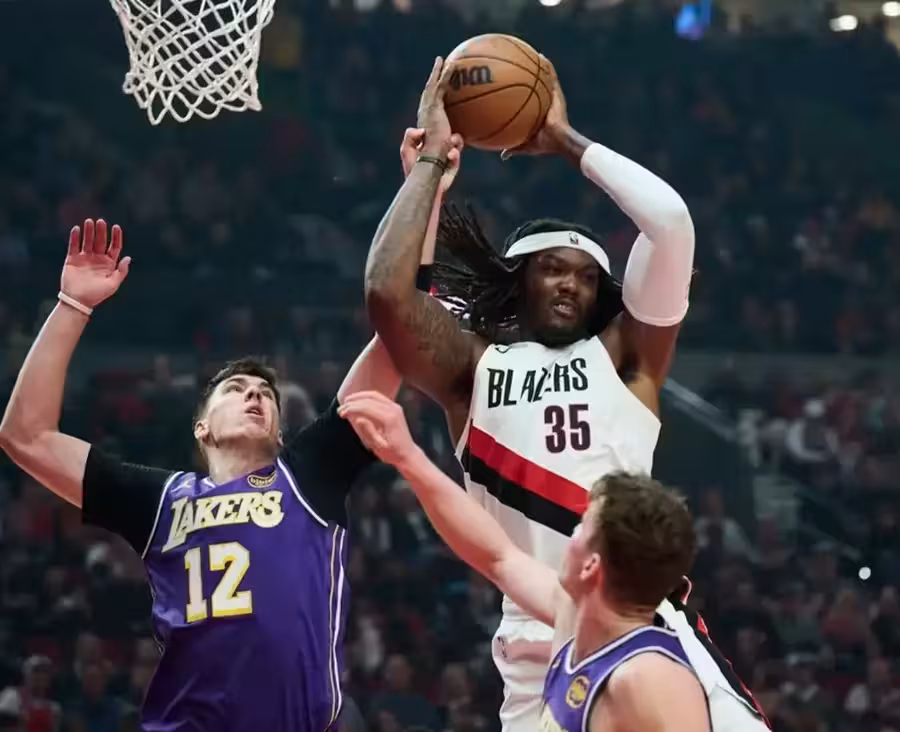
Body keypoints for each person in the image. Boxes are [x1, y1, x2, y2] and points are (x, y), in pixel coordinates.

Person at [365, 58, 767, 732]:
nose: (569, 285)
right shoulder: (472, 366)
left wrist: (564, 140)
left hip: (640, 625)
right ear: (519, 278)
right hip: (535, 638)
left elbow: (671, 223)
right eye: (552, 268)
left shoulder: (628, 356)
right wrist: (429, 169)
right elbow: (388, 294)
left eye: (586, 277)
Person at [0, 215, 456, 732]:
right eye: (236, 389)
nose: (254, 394)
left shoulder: (308, 474)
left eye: (266, 394)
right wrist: (72, 304)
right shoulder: (161, 499)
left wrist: (426, 196)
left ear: (280, 433)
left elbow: (399, 326)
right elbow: (25, 436)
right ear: (202, 428)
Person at [338, 391, 710, 732]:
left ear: (591, 567)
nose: (571, 533)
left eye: (582, 527)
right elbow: (497, 555)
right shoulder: (575, 616)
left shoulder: (649, 679)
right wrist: (407, 457)